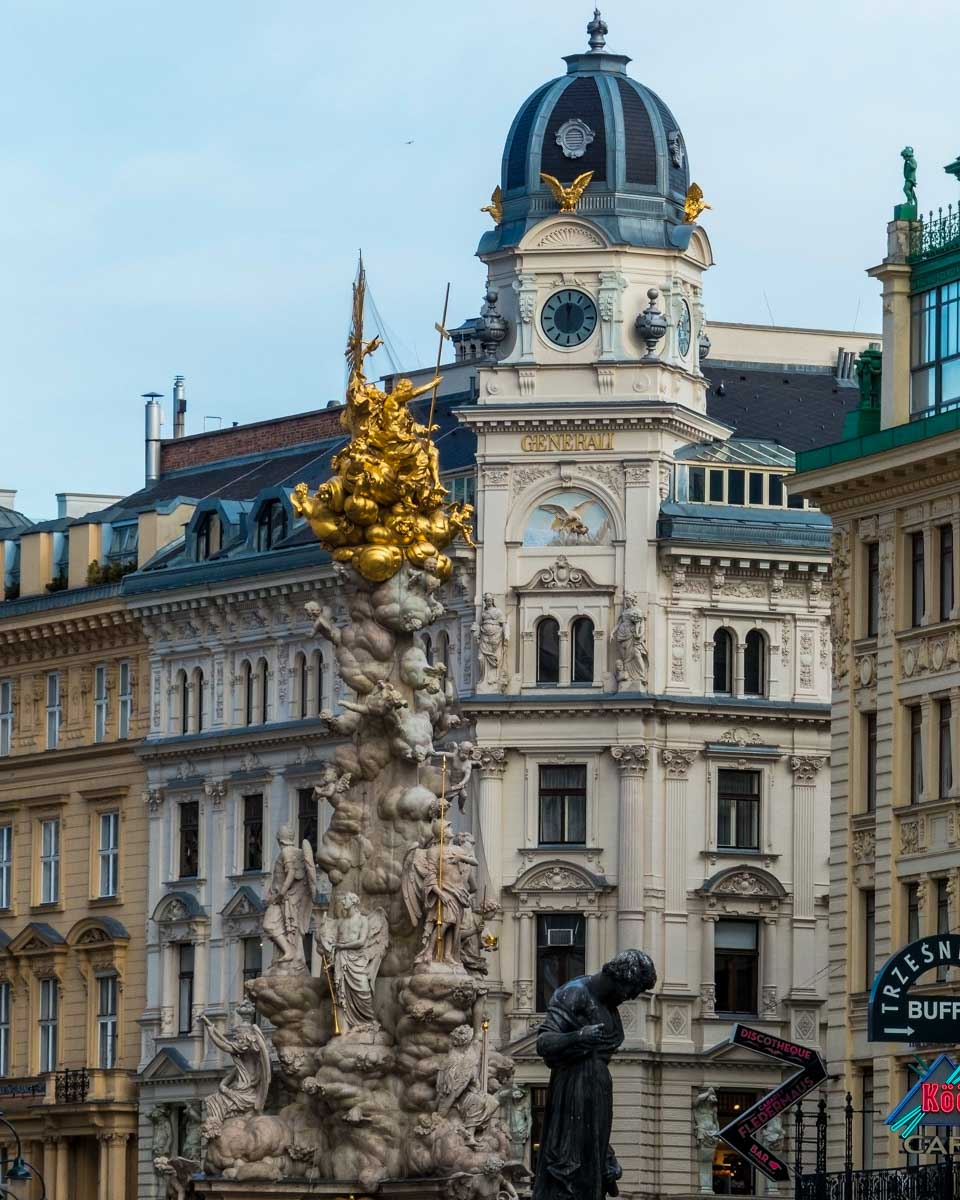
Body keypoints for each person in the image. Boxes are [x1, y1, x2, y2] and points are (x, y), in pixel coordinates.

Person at [532, 949, 657, 1200]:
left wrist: (606, 1154)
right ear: (619, 978)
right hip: (572, 1091)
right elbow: (544, 1042)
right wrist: (579, 1036)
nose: (630, 997)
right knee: (568, 1164)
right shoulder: (575, 993)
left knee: (592, 1166)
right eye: (631, 990)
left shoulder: (610, 1007)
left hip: (597, 1094)